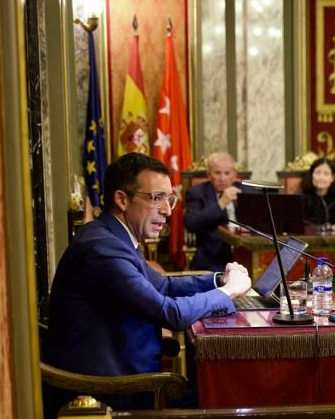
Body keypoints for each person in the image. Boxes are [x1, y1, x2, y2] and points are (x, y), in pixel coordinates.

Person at [46, 152, 251, 390]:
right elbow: (171, 314)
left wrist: (219, 280)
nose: (167, 211)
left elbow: (163, 285)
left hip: (124, 373)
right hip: (107, 391)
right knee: (228, 391)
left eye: (169, 199)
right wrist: (229, 291)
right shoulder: (103, 248)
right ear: (122, 200)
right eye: (156, 198)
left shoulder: (115, 236)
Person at [184, 151, 244, 270]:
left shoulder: (245, 190)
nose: (222, 178)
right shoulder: (196, 193)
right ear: (209, 175)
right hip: (213, 258)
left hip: (245, 254)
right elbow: (191, 223)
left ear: (234, 175)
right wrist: (222, 203)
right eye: (217, 173)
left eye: (227, 173)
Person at [301, 157, 335, 227]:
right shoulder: (302, 197)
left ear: (332, 178)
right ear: (311, 175)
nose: (321, 177)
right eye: (317, 173)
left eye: (326, 174)